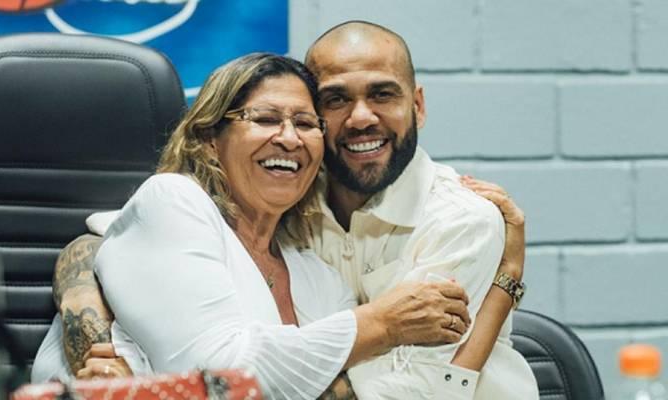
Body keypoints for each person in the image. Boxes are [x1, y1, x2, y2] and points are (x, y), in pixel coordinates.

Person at [38, 21, 539, 399]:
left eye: (304, 121)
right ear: (211, 139)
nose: (289, 137)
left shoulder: (315, 267)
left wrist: (506, 281)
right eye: (265, 118)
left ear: (418, 106)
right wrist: (90, 318)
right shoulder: (184, 202)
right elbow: (99, 242)